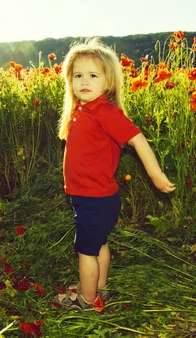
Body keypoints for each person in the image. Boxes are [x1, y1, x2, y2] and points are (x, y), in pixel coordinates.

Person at [54, 38, 176, 311]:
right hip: (93, 196)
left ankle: (85, 301)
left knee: (85, 250)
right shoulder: (81, 109)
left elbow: (137, 139)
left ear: (108, 81)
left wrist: (155, 174)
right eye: (78, 75)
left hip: (94, 197)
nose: (84, 81)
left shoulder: (105, 112)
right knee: (99, 244)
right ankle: (99, 287)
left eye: (93, 75)